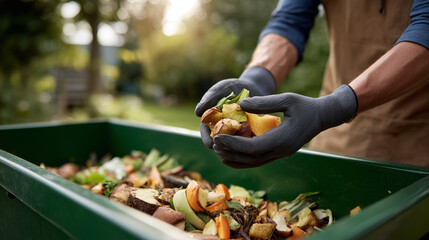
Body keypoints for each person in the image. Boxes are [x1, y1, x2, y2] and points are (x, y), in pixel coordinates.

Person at [195, 0, 429, 168]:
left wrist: (335, 107)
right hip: (334, 140)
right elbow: (290, 21)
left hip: (414, 150)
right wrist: (256, 78)